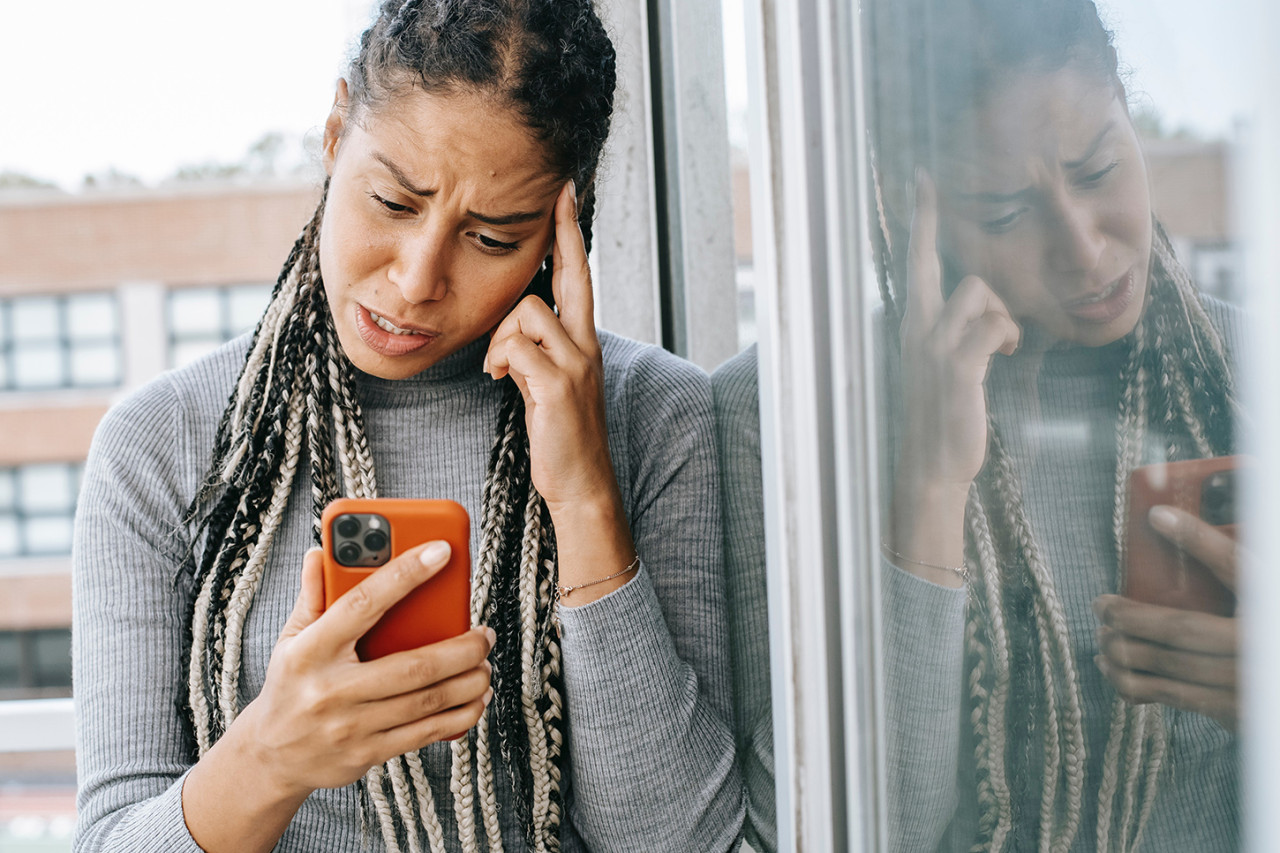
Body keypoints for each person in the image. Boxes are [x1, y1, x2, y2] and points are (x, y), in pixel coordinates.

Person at [72, 2, 743, 851]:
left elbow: (681, 842)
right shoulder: (163, 442)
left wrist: (584, 502)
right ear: (334, 134)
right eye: (392, 201)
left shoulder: (657, 416)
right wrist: (270, 755)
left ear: (561, 228)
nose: (418, 279)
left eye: (492, 236)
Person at [865, 0, 1243, 850]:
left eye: (1101, 166)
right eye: (1002, 213)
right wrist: (926, 483)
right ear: (910, 214)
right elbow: (831, 829)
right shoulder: (804, 419)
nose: (1084, 247)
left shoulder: (1250, 368)